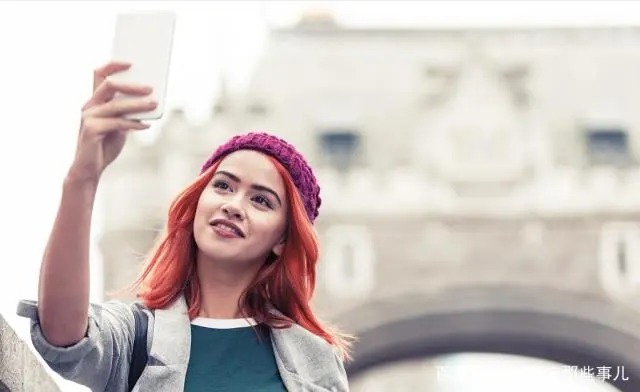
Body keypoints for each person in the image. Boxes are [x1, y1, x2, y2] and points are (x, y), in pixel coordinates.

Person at [17, 61, 353, 392]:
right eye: (223, 186)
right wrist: (83, 178)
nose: (234, 206)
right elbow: (63, 336)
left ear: (282, 238)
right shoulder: (137, 337)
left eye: (261, 201)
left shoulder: (316, 360)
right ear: (196, 202)